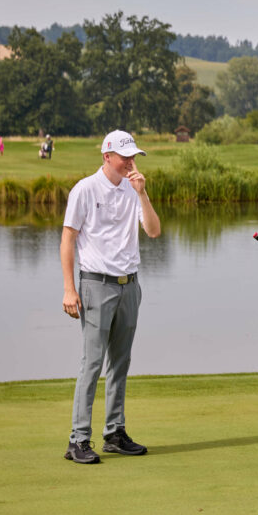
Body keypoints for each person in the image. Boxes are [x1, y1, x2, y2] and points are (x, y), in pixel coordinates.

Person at [60, 130, 161, 464]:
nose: (130, 163)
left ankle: (114, 433)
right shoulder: (85, 190)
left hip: (130, 284)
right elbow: (68, 241)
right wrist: (69, 289)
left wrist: (143, 195)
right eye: (125, 158)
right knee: (91, 363)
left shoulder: (134, 190)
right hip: (95, 284)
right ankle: (78, 439)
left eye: (133, 157)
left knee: (120, 362)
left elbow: (154, 230)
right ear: (107, 156)